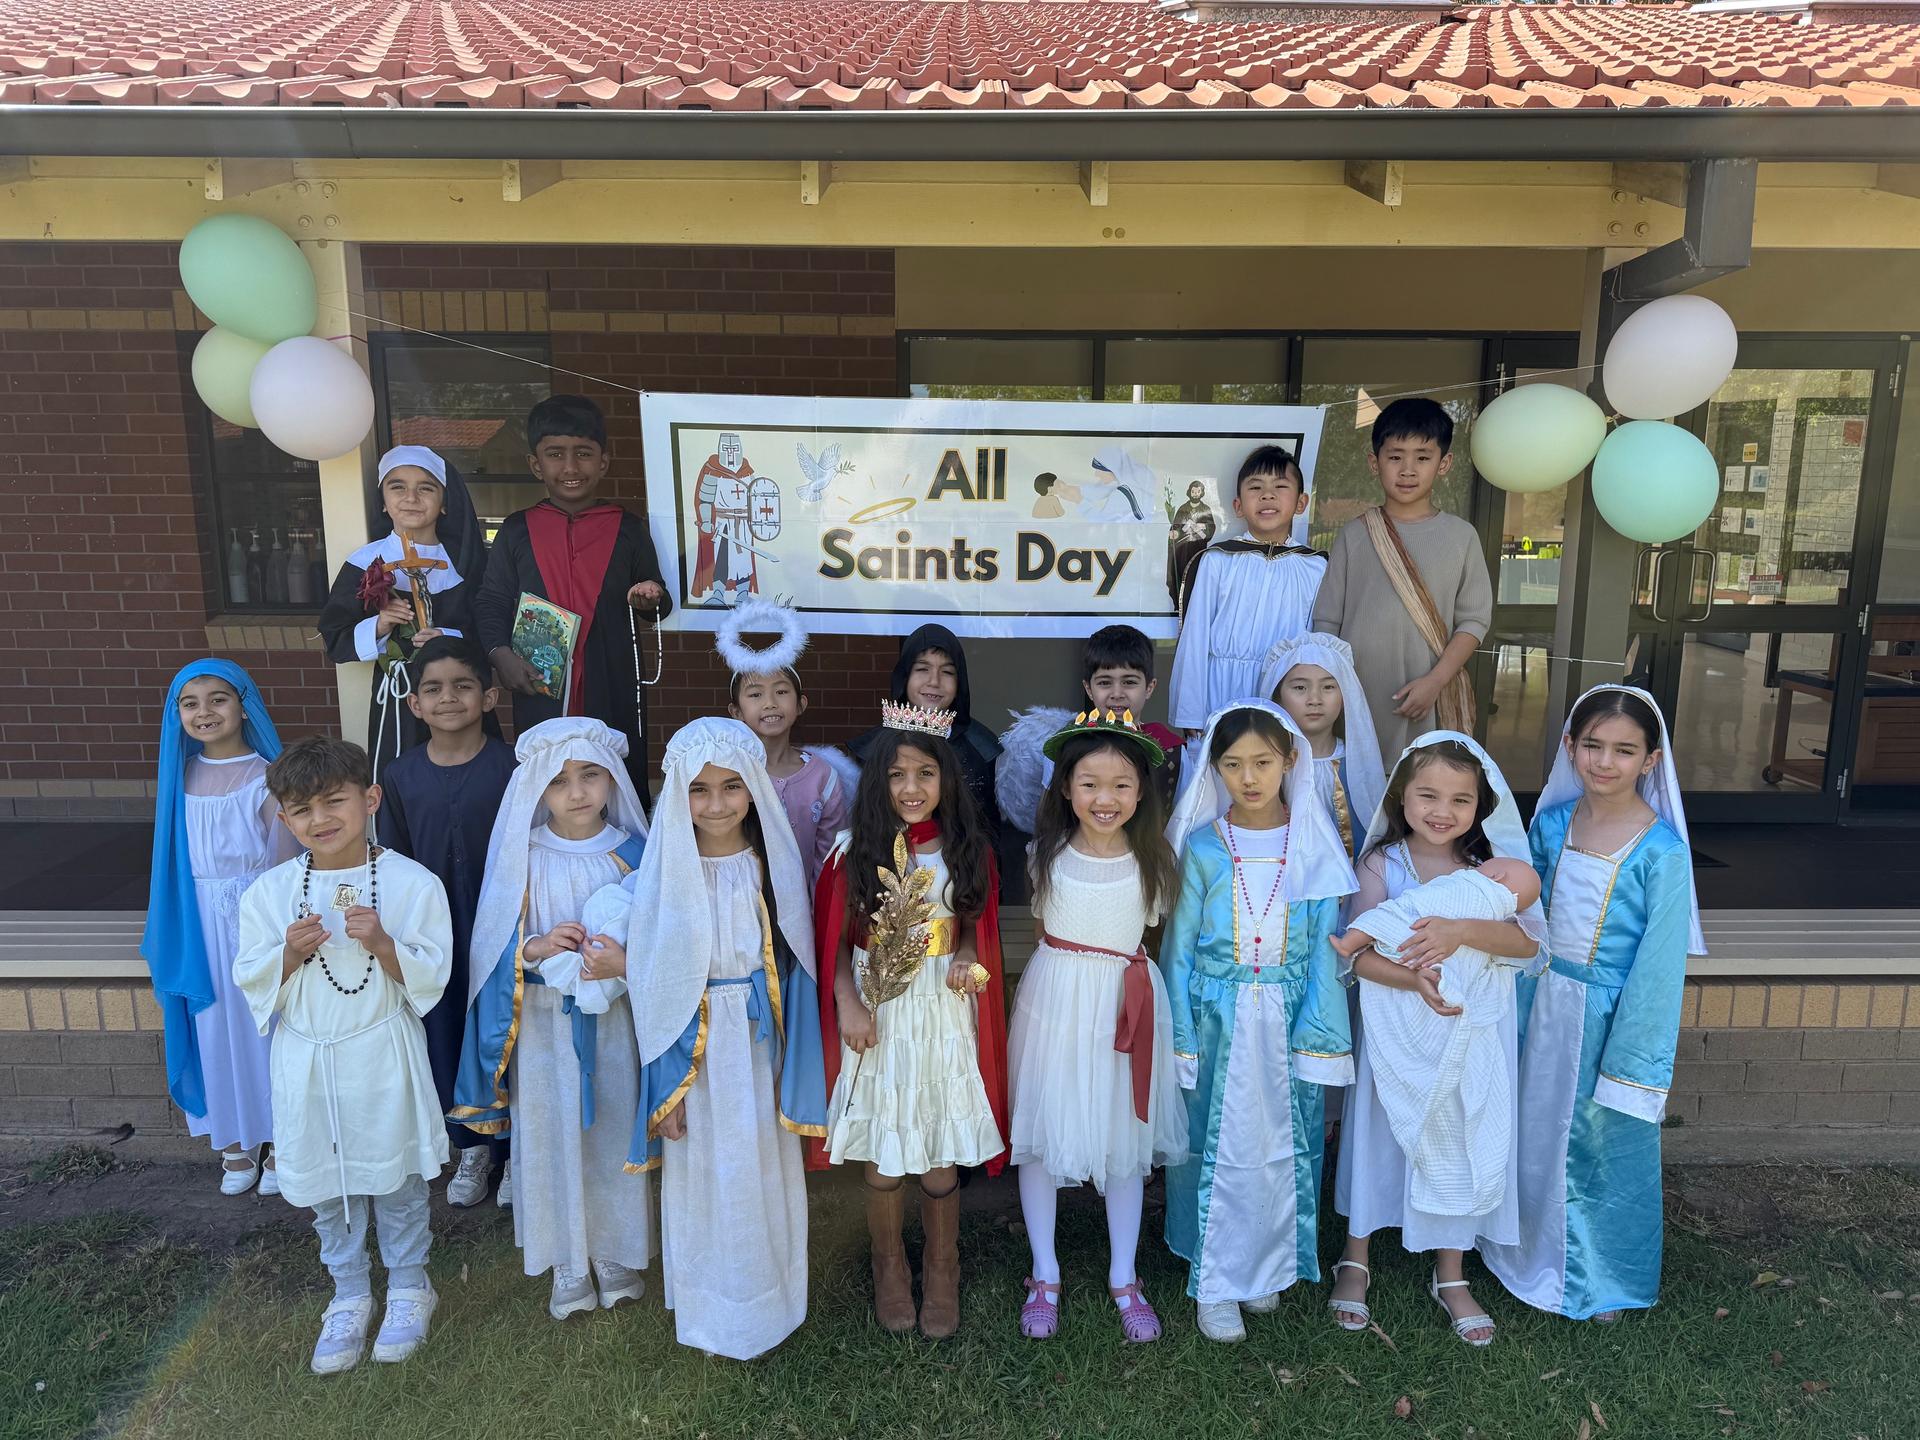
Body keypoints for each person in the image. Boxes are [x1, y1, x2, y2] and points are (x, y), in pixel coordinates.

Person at [583, 717, 827, 1359]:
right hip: (693, 1049)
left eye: (731, 786)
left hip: (757, 1047)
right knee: (703, 1174)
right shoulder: (667, 874)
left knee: (761, 1170)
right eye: (699, 789)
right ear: (677, 794)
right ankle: (712, 1311)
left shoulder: (772, 869)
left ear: (754, 788)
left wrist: (792, 1063)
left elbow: (796, 967)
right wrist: (666, 1087)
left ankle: (768, 1302)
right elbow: (661, 979)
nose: (716, 804)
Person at [1481, 686, 1703, 1323]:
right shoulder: (1553, 825)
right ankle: (1516, 1246)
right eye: (1593, 746)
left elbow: (1658, 966)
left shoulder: (1662, 852)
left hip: (1608, 1017)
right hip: (1540, 999)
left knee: (1597, 1140)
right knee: (1531, 1126)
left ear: (1651, 760)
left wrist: (1633, 1053)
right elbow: (1525, 917)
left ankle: (1598, 1272)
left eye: (1624, 750)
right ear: (1569, 747)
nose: (1605, 762)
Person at [234, 738, 453, 1375]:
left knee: (396, 1174)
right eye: (302, 810)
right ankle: (350, 1292)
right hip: (307, 1054)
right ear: (283, 818)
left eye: (335, 801)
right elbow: (250, 976)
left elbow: (433, 975)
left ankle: (409, 1285)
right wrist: (288, 954)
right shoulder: (271, 892)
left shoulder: (412, 883)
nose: (321, 819)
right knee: (327, 1180)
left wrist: (383, 943)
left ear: (370, 799)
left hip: (381, 1048)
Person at [1328, 733, 1544, 1348]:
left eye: (1460, 799)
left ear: (1481, 806)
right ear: (1401, 797)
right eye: (1427, 795)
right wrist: (1412, 979)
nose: (1442, 811)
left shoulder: (1489, 871)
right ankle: (1355, 1256)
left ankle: (1451, 1270)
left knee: (1462, 1134)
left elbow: (1529, 945)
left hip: (1469, 1028)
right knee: (1380, 1132)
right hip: (1398, 1026)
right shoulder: (1381, 865)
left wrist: (1461, 931)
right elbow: (1355, 954)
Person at [1159, 702, 1356, 1344]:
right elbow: (1179, 949)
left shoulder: (1313, 845)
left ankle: (1266, 1261)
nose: (1249, 778)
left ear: (1290, 761)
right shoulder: (1204, 847)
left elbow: (1325, 950)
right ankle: (1216, 1279)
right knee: (1216, 1146)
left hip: (1287, 1016)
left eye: (1263, 763)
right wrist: (1182, 1033)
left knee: (1280, 1144)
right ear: (1213, 769)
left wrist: (1318, 1033)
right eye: (1233, 764)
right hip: (1218, 1016)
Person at [815, 703, 1008, 1340]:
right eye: (897, 775)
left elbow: (973, 925)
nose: (911, 788)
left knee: (937, 1142)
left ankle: (943, 1267)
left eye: (925, 773)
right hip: (880, 1007)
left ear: (946, 779)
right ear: (879, 782)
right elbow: (834, 941)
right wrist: (847, 1001)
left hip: (941, 1009)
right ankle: (889, 1264)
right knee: (887, 1141)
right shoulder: (854, 852)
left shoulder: (966, 849)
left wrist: (967, 957)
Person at [453, 718, 653, 1320]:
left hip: (613, 1021)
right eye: (559, 781)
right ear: (537, 789)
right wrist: (535, 947)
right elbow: (491, 945)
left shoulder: (634, 853)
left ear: (611, 778)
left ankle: (613, 1250)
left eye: (590, 775)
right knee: (549, 1134)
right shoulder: (523, 855)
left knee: (611, 1126)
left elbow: (662, 934)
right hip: (541, 1025)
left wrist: (620, 961)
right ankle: (567, 1258)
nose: (577, 792)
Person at [1008, 709, 1185, 1344]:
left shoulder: (1154, 860)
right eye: (1089, 783)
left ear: (1141, 793)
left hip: (1123, 1003)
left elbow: (1150, 931)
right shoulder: (1046, 855)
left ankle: (1123, 1275)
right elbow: (1045, 929)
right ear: (1065, 787)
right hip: (1057, 999)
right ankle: (1045, 1272)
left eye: (1120, 785)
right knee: (1043, 1129)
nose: (1104, 798)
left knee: (1123, 1138)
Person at [142, 660, 297, 1196]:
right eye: (190, 703)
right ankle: (232, 1138)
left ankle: (279, 1139)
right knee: (211, 1024)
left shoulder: (267, 776)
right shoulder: (180, 775)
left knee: (263, 1024)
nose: (204, 712)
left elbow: (284, 862)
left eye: (218, 699)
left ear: (244, 705)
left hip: (252, 915)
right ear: (177, 714)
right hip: (197, 920)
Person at [375, 637, 518, 1209]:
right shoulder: (401, 775)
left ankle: (515, 1150)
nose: (448, 697)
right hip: (435, 934)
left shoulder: (514, 767)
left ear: (489, 697)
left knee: (506, 1032)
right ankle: (471, 1147)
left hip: (503, 926)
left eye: (463, 685)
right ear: (414, 704)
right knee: (448, 1033)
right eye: (432, 689)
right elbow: (395, 859)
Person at [477, 395, 672, 804]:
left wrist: (649, 598)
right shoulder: (516, 530)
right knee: (546, 782)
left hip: (611, 674)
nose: (570, 467)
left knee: (617, 778)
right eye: (555, 454)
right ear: (536, 464)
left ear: (603, 462)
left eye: (583, 453)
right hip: (539, 678)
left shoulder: (628, 528)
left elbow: (656, 599)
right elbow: (492, 600)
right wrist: (500, 655)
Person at [1310, 398, 1493, 759]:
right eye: (1395, 456)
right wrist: (1332, 691)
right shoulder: (1355, 535)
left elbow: (1474, 621)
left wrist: (1436, 681)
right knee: (1359, 782)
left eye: (1423, 457)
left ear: (1444, 464)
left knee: (1424, 781)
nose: (1408, 470)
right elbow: (1327, 622)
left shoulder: (1462, 536)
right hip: (1357, 697)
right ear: (1374, 462)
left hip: (1431, 695)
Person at [317, 446, 492, 781]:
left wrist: (449, 637)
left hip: (461, 696)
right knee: (403, 780)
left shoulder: (468, 562)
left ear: (444, 502)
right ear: (383, 501)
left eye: (425, 488)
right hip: (399, 699)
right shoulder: (365, 563)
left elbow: (490, 627)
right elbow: (335, 637)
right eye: (397, 487)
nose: (411, 498)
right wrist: (380, 624)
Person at [1168, 445, 1326, 734]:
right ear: (1238, 506)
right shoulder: (1218, 560)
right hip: (1220, 690)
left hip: (1283, 693)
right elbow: (1195, 637)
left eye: (1280, 486)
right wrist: (1191, 715)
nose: (1267, 495)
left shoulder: (1315, 567)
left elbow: (1316, 645)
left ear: (1301, 503)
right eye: (1256, 487)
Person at [995, 623, 1183, 838]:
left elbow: (1182, 821)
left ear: (1149, 687)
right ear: (1088, 689)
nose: (1117, 693)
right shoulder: (1065, 746)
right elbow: (1049, 817)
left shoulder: (1173, 751)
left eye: (1129, 682)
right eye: (1105, 682)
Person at [719, 597, 851, 887]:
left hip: (805, 908)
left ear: (801, 704)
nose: (769, 703)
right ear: (736, 712)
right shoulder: (726, 772)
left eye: (781, 692)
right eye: (755, 695)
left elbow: (829, 860)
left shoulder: (822, 776)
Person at [848, 624, 1003, 842]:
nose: (934, 681)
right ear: (905, 675)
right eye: (922, 669)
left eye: (947, 672)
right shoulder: (871, 750)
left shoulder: (981, 748)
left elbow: (990, 828)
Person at [1259, 633, 1386, 860]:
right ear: (1277, 697)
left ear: (1345, 695)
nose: (1314, 699)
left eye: (1328, 687)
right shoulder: (1265, 766)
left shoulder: (1357, 766)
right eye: (1300, 688)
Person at [1166, 478, 1218, 605]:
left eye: (1198, 491)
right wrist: (1175, 532)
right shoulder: (1183, 508)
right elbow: (1176, 526)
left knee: (1196, 575)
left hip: (1197, 548)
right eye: (1193, 491)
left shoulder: (1205, 509)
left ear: (1202, 493)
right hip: (1182, 550)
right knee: (1180, 574)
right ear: (1189, 492)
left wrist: (1200, 527)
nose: (1195, 494)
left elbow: (1210, 528)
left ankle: (1194, 603)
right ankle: (1179, 602)